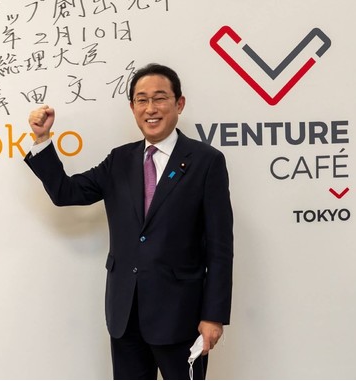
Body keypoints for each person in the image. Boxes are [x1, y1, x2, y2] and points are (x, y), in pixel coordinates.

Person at [24, 63, 233, 380]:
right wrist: (42, 139)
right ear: (132, 107)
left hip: (181, 316)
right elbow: (66, 193)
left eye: (160, 98)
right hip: (125, 315)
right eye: (141, 100)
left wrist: (213, 316)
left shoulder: (206, 161)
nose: (151, 108)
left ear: (179, 103)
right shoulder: (120, 160)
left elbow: (220, 247)